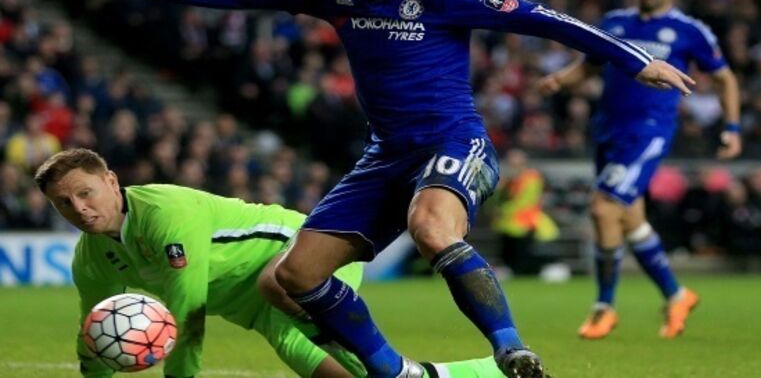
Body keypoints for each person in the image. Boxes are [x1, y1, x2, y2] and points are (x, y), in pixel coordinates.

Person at [88, 0, 694, 376]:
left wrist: (635, 60)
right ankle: (393, 372)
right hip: (386, 155)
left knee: (431, 227)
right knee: (294, 276)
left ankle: (510, 349)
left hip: (454, 141)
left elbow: (546, 19)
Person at [35, 148, 508, 378]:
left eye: (85, 193)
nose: (80, 209)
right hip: (258, 310)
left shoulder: (164, 213)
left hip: (302, 255)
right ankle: (488, 372)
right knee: (325, 367)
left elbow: (187, 309)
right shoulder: (91, 260)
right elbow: (92, 330)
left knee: (277, 285)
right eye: (64, 203)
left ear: (111, 181)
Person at [536, 0, 741, 340]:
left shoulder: (689, 30)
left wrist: (732, 128)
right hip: (608, 130)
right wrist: (559, 81)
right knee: (630, 220)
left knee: (603, 207)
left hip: (648, 132)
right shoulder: (615, 22)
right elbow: (589, 65)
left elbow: (725, 78)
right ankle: (677, 295)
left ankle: (604, 306)